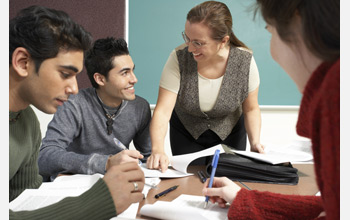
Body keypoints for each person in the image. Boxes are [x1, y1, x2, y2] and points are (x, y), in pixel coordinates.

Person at [202, 0, 340, 219]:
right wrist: (243, 198)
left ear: (298, 22)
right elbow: (332, 208)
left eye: (271, 32)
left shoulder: (337, 94)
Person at [9, 5, 144, 219]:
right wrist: (102, 200)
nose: (73, 88)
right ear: (23, 63)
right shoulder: (74, 105)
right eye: (65, 74)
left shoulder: (27, 120)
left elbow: (24, 199)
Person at [147, 0, 264, 172]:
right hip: (186, 133)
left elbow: (251, 109)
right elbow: (163, 111)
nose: (190, 48)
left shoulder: (244, 62)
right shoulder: (178, 58)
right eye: (188, 38)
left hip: (230, 133)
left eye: (198, 43)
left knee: (226, 183)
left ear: (223, 41)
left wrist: (255, 143)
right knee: (190, 183)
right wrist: (157, 149)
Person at [38, 37, 151, 181]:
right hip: (75, 185)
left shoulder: (140, 107)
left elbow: (148, 158)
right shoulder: (74, 104)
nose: (134, 79)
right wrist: (106, 163)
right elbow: (45, 156)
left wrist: (157, 158)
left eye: (132, 70)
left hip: (117, 183)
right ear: (100, 79)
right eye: (125, 73)